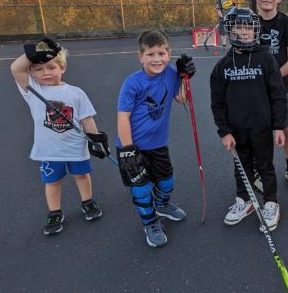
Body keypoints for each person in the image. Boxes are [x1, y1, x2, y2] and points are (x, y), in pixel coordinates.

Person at [11, 37, 108, 235]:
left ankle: (87, 201)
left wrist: (96, 139)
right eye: (38, 69)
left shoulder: (76, 93)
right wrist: (33, 53)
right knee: (52, 181)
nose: (45, 72)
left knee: (81, 175)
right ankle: (54, 211)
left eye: (51, 67)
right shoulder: (33, 91)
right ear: (32, 73)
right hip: (49, 150)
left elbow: (87, 118)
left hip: (75, 147)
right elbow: (15, 68)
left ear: (62, 68)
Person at [210, 7, 288, 231]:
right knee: (241, 167)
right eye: (237, 27)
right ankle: (244, 201)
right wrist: (224, 131)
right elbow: (218, 103)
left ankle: (271, 203)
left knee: (265, 166)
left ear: (255, 31)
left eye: (247, 28)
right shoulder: (223, 66)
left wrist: (279, 126)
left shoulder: (266, 59)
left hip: (262, 127)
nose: (242, 32)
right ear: (229, 31)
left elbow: (278, 95)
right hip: (236, 130)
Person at [116, 30, 195, 248]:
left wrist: (184, 77)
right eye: (150, 55)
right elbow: (123, 117)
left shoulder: (170, 73)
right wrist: (128, 149)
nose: (156, 59)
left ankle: (162, 205)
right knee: (141, 189)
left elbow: (180, 98)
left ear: (169, 53)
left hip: (158, 144)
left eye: (161, 53)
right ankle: (150, 222)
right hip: (132, 146)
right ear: (140, 57)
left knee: (166, 182)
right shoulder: (132, 83)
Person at [251, 0, 288, 191]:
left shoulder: (287, 24)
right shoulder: (248, 22)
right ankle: (259, 169)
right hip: (254, 90)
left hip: (282, 89)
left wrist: (270, 80)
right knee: (258, 132)